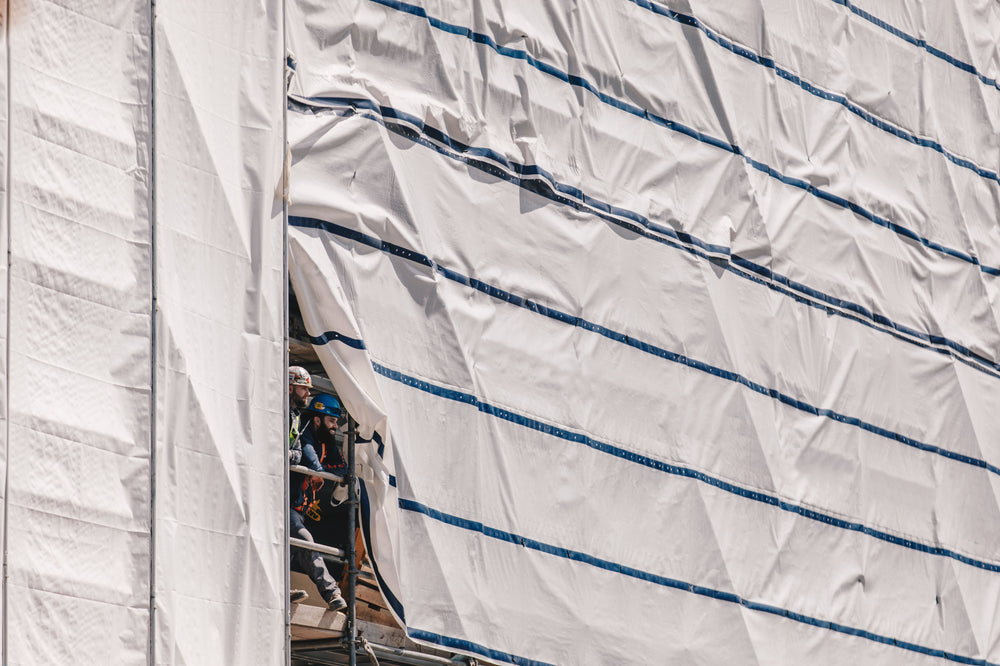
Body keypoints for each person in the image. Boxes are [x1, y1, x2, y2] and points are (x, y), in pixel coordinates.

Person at [287, 366, 347, 612]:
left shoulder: (326, 441)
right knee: (305, 542)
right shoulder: (303, 426)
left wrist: (333, 474)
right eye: (331, 421)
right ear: (318, 418)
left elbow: (342, 465)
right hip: (286, 502)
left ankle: (281, 590)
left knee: (291, 548)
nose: (335, 427)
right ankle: (332, 593)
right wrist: (316, 471)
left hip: (298, 507)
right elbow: (306, 451)